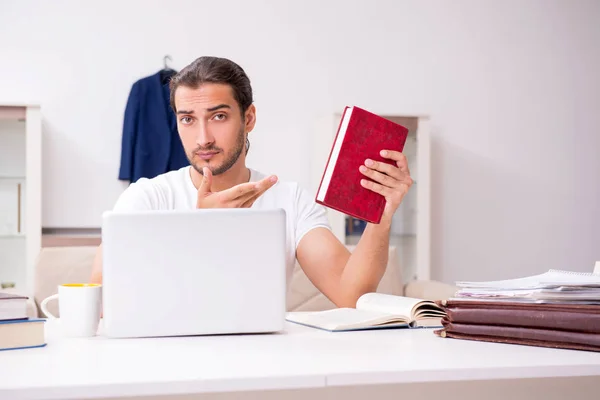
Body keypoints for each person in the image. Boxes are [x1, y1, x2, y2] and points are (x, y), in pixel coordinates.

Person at [90, 56, 413, 308]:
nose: (203, 138)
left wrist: (381, 217)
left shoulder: (289, 200)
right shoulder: (147, 197)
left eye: (219, 116)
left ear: (248, 118)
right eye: (187, 119)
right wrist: (200, 231)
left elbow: (350, 295)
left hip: (261, 366)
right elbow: (102, 303)